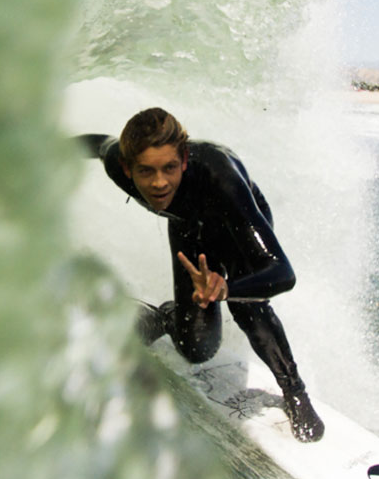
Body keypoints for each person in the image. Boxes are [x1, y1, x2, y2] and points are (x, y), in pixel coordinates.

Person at [78, 108, 324, 442]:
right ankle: (166, 318)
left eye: (169, 168)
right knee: (196, 348)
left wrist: (227, 289)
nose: (159, 183)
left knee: (248, 308)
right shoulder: (115, 163)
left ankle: (295, 391)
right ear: (126, 168)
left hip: (236, 222)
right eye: (145, 171)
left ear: (183, 160)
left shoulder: (219, 174)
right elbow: (96, 143)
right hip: (189, 231)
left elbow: (282, 272)